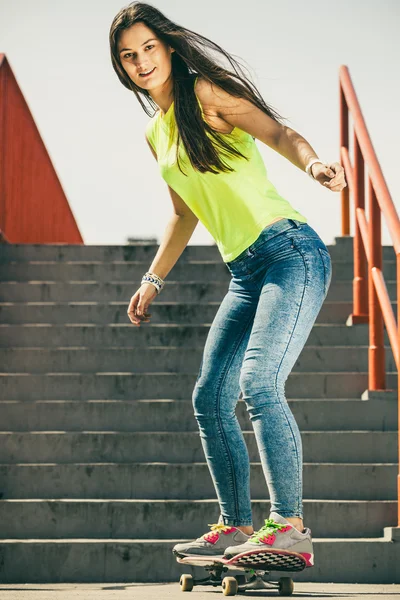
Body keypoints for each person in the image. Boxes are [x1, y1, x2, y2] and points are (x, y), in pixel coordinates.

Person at [109, 1, 347, 567]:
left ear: (166, 47)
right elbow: (183, 212)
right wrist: (152, 280)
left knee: (259, 383)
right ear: (122, 68)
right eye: (128, 56)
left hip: (290, 251)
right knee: (209, 396)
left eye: (148, 48)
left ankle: (287, 525)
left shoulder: (207, 93)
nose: (142, 62)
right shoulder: (155, 133)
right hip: (244, 271)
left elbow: (280, 133)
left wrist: (312, 165)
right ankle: (237, 522)